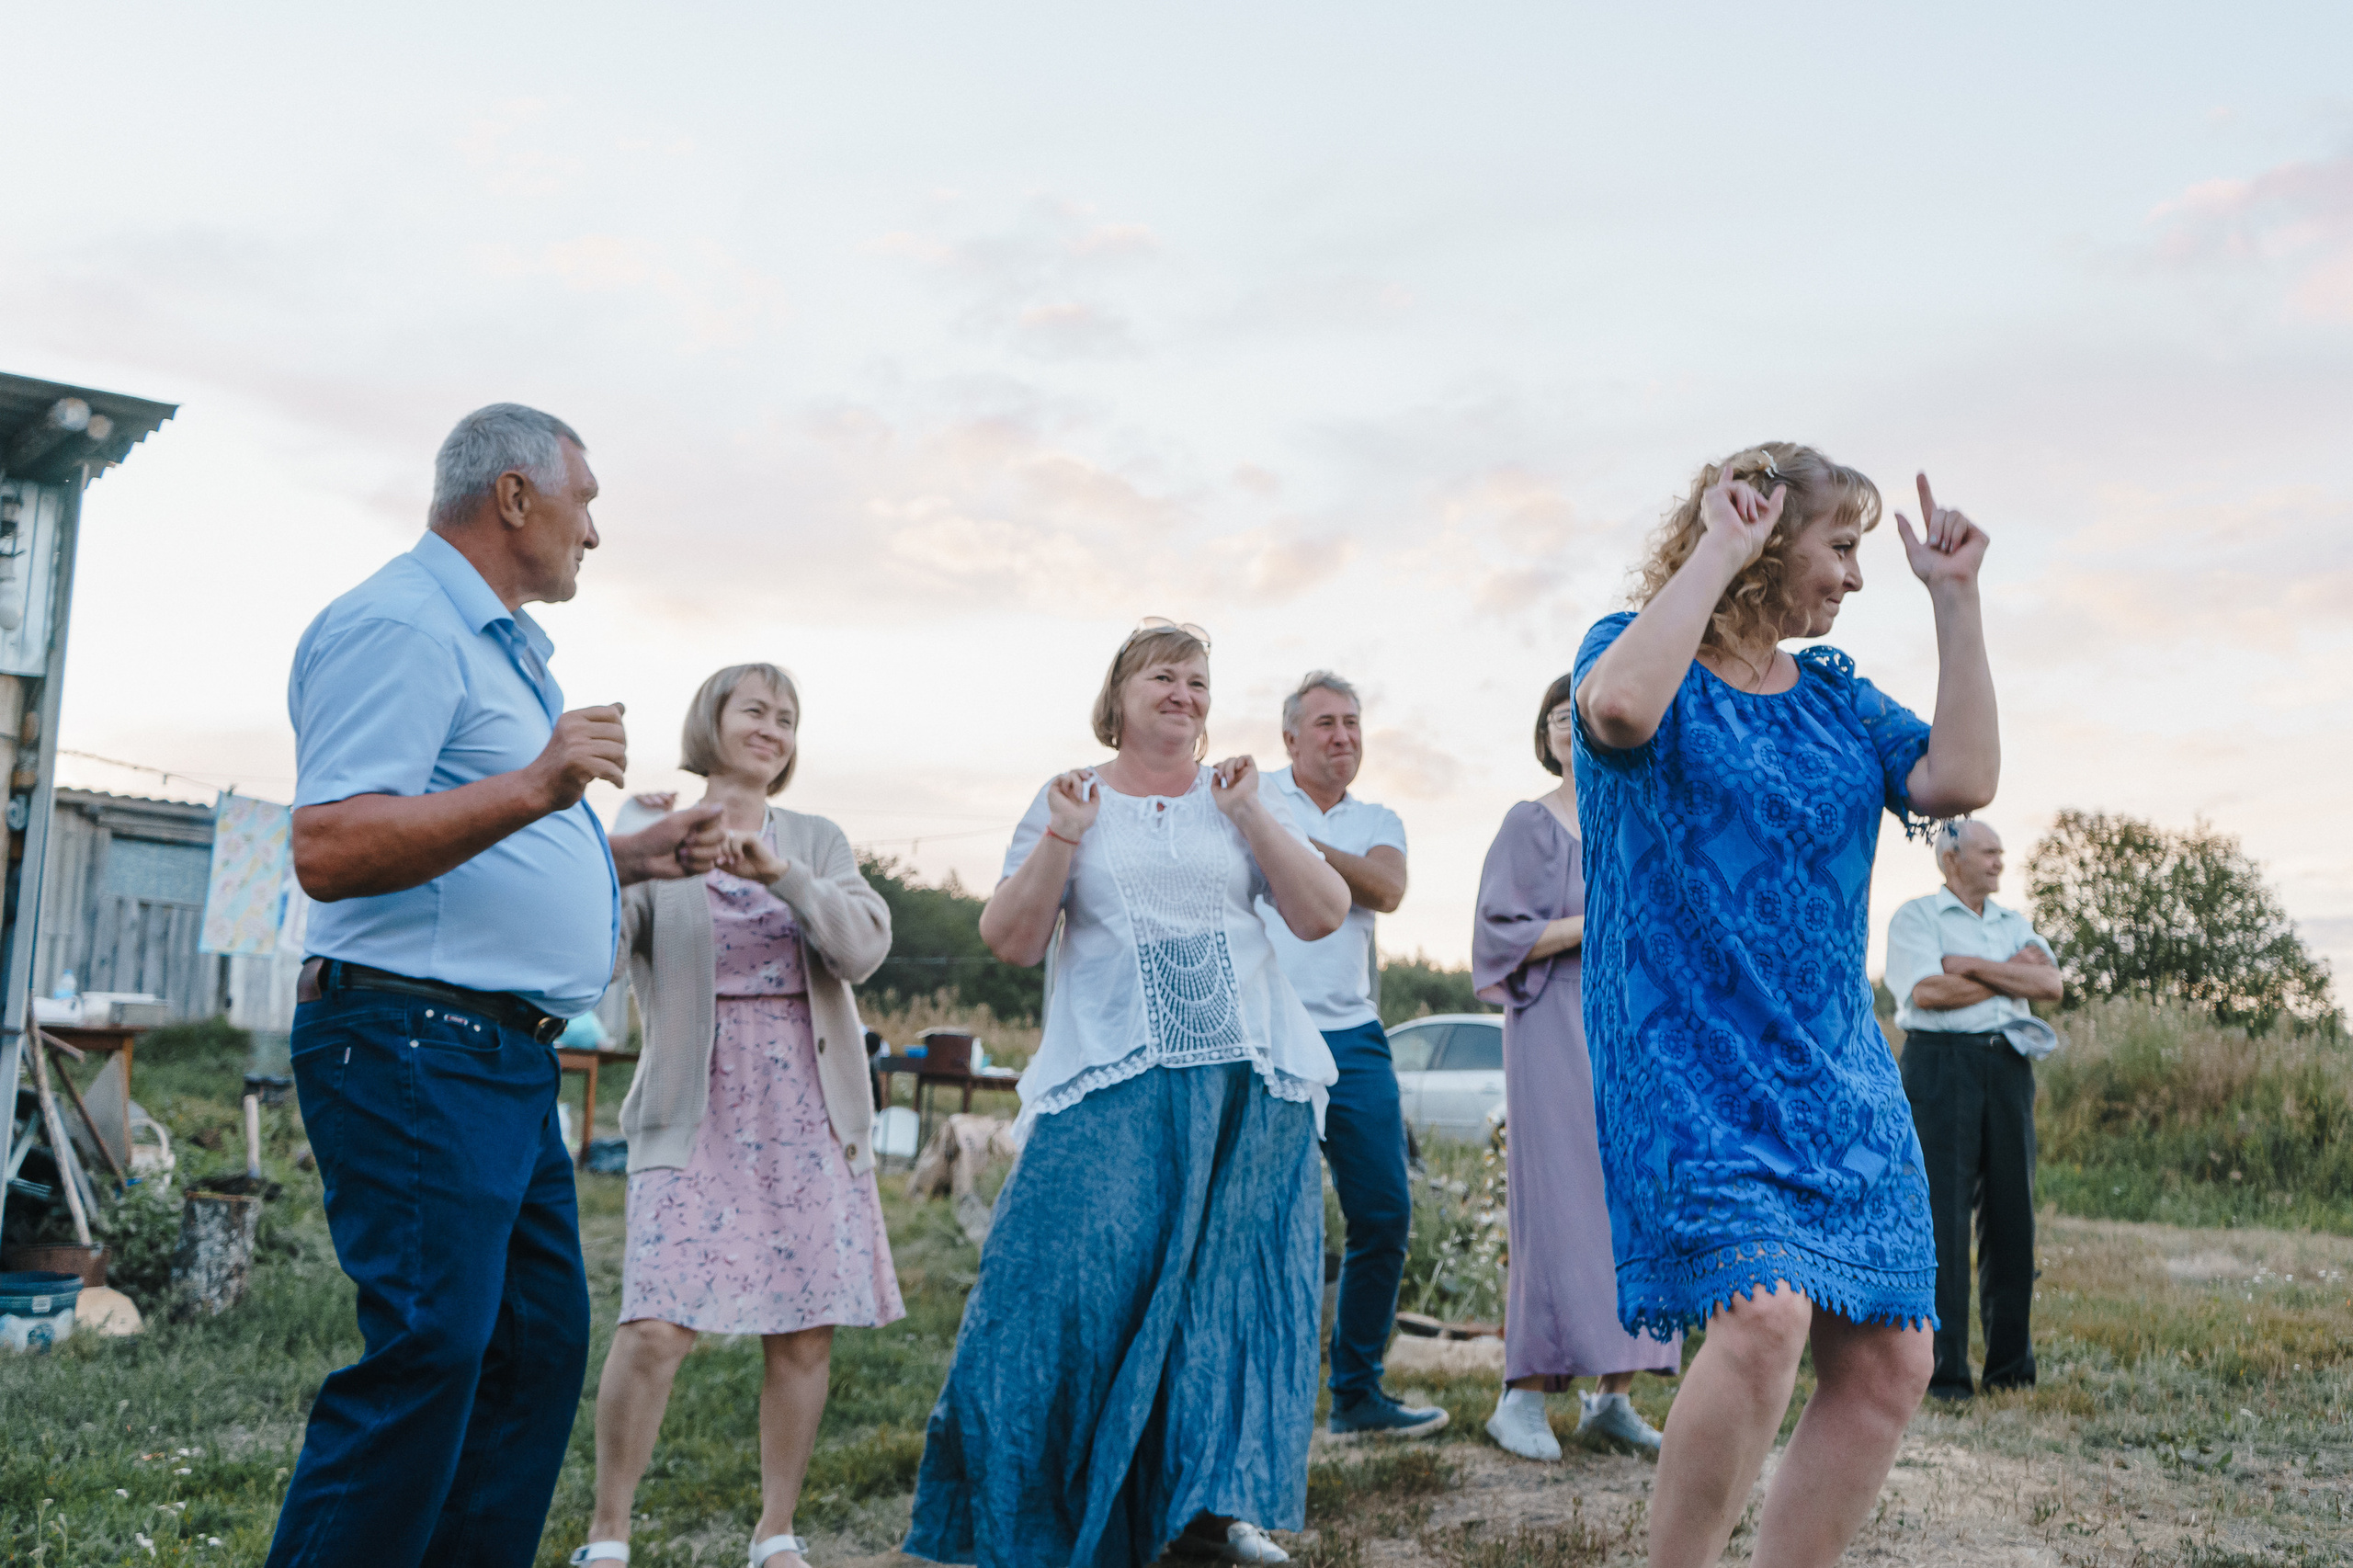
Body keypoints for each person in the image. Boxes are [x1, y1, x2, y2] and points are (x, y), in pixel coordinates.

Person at [273, 404, 728, 1568]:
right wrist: (540, 784)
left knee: (530, 1347)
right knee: (432, 1345)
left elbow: (467, 838)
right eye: (586, 500)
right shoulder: (402, 624)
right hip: (415, 1040)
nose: (595, 531)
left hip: (495, 1054)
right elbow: (332, 844)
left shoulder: (495, 647)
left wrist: (621, 857)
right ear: (515, 495)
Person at [1573, 446, 1999, 1568]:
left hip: (1835, 1067)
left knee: (1894, 1359)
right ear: (1766, 540)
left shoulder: (1838, 699)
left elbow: (1959, 778)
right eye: (1842, 547)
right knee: (1764, 1314)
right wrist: (1718, 544)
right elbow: (1617, 712)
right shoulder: (1630, 652)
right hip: (1689, 1054)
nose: (1856, 577)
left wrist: (1954, 600)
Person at [905, 620, 1350, 1568]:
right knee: (1056, 1282)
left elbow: (1321, 914)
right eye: (1162, 675)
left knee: (1224, 1293)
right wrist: (1064, 837)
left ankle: (1211, 1506)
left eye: (1197, 679)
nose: (1183, 692)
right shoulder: (1070, 795)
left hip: (1246, 1075)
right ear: (1119, 693)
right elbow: (1013, 938)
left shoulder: (1243, 793)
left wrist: (1252, 817)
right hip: (1113, 1063)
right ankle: (1025, 1497)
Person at [571, 664, 901, 1568]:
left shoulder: (817, 838)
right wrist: (619, 854)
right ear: (709, 721)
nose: (773, 726)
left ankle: (776, 1529)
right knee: (656, 1321)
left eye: (787, 716)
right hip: (693, 1100)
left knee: (801, 1324)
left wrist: (786, 875)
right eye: (754, 708)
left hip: (809, 1100)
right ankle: (608, 1529)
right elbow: (593, 962)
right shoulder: (649, 821)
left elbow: (862, 947)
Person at [1473, 675, 1679, 1462]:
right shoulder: (1530, 825)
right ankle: (1521, 1397)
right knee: (1560, 1204)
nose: (1569, 727)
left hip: (1634, 1029)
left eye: (1579, 715)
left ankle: (1614, 1396)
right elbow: (1499, 936)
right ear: (1546, 734)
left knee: (1636, 1204)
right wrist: (1601, 920)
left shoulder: (1636, 817)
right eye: (1557, 717)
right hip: (1554, 1019)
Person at [1256, 671, 1448, 1441]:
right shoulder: (1255, 795)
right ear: (1291, 739)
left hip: (1354, 1038)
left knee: (1384, 1211)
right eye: (1326, 723)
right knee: (1276, 1218)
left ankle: (1356, 1394)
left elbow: (1386, 888)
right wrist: (1286, 837)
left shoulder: (1380, 817)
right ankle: (1267, 1390)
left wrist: (1297, 845)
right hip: (1266, 1031)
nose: (1343, 736)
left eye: (1353, 724)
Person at [1885, 820, 2062, 1403]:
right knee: (1943, 1216)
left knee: (2014, 1215)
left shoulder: (2015, 923)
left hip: (2009, 1066)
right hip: (1940, 1065)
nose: (1999, 863)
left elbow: (2051, 986)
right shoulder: (1917, 917)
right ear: (1950, 859)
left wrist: (1968, 966)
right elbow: (1927, 993)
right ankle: (1944, 1375)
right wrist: (2013, 978)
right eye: (1988, 852)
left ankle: (2011, 1369)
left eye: (2001, 853)